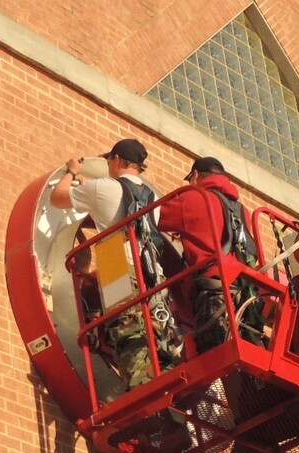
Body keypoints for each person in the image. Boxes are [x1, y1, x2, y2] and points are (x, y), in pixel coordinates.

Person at [49, 139, 177, 390]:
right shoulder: (153, 198)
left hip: (115, 261)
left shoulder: (106, 187)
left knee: (127, 331)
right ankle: (166, 384)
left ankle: (143, 390)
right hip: (153, 271)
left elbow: (58, 198)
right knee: (156, 334)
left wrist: (72, 172)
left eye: (109, 161)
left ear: (117, 159)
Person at [158, 156, 264, 353]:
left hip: (214, 296)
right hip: (246, 300)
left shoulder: (195, 198)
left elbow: (153, 217)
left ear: (196, 175)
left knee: (213, 359)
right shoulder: (243, 211)